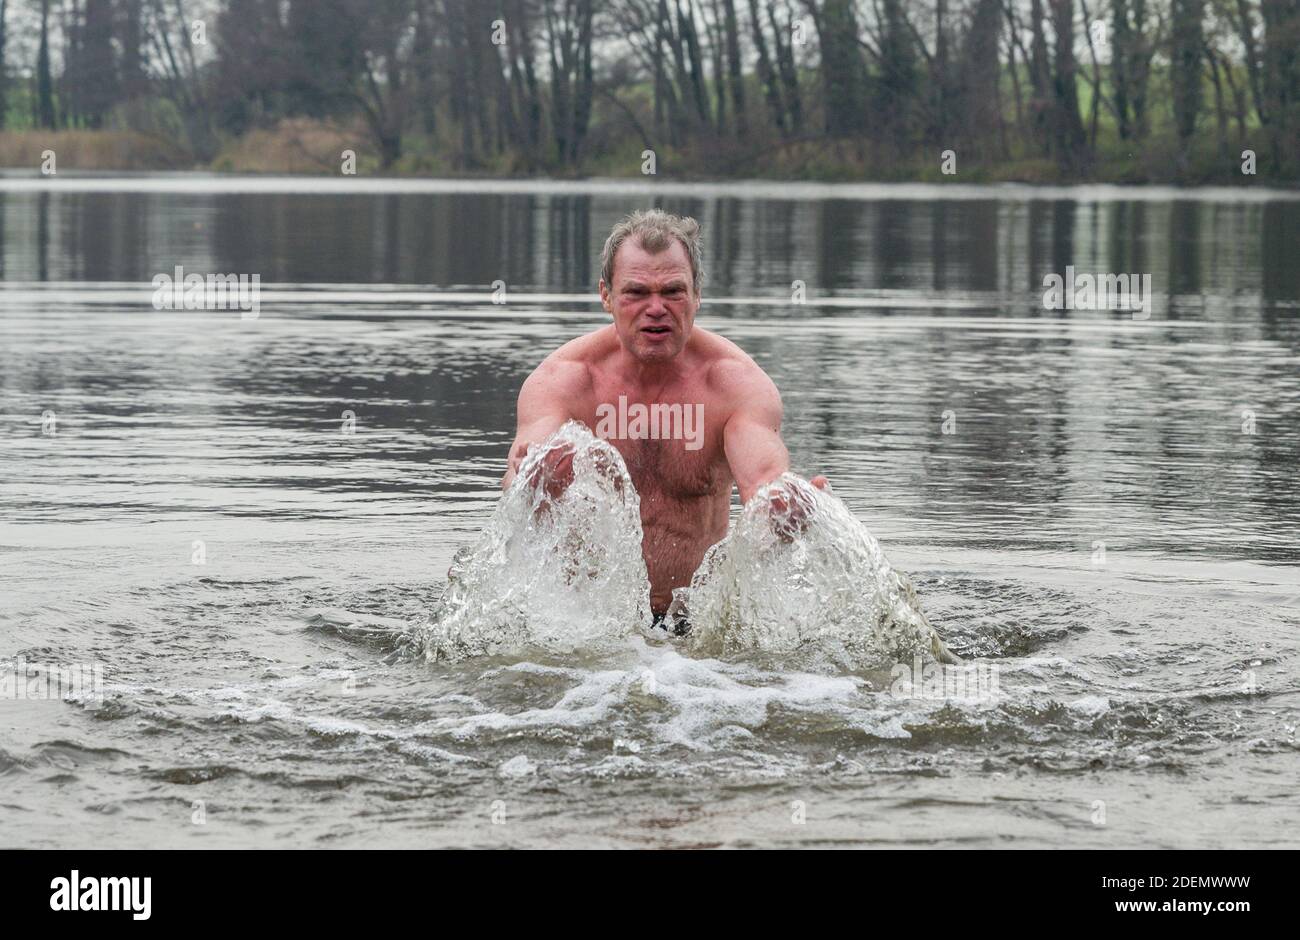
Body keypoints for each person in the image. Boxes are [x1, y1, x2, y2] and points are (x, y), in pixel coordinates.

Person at [502, 209, 827, 630]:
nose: (656, 308)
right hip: (590, 626)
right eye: (636, 292)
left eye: (672, 291)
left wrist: (782, 508)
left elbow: (763, 479)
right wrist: (536, 481)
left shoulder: (734, 385)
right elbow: (520, 473)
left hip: (694, 625)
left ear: (696, 296)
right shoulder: (564, 381)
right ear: (606, 295)